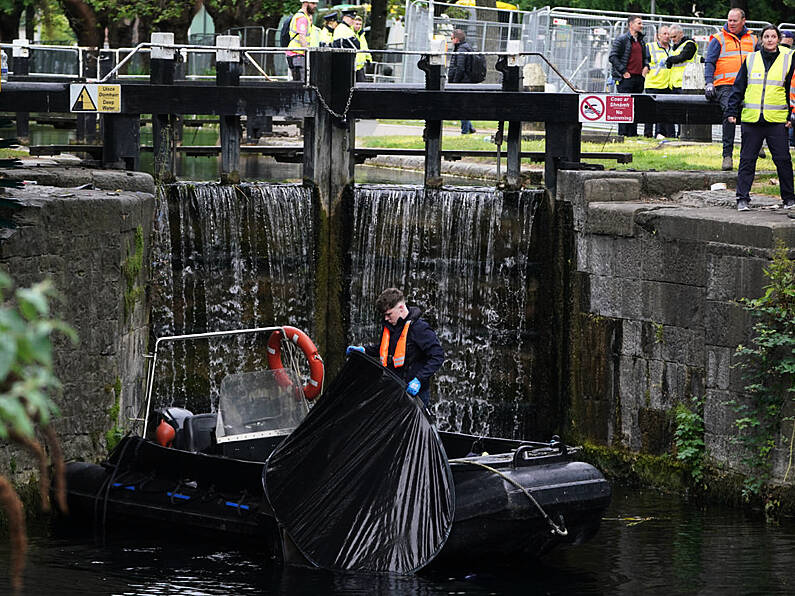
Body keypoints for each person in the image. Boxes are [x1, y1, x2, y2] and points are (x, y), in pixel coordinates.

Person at [726, 25, 795, 211]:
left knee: (783, 160)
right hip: (752, 119)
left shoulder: (789, 58)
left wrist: (792, 115)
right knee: (747, 160)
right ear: (761, 39)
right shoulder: (751, 59)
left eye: (773, 36)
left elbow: (792, 89)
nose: (770, 39)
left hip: (777, 119)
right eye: (766, 36)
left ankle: (789, 198)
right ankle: (742, 198)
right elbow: (738, 87)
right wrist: (731, 111)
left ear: (779, 39)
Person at [347, 288, 444, 408]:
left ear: (401, 308)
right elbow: (384, 349)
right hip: (393, 387)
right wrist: (364, 350)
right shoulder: (390, 325)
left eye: (389, 314)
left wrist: (419, 379)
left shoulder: (420, 328)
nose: (386, 318)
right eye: (384, 315)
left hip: (415, 394)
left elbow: (438, 356)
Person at [704, 8, 758, 171]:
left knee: (754, 111)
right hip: (725, 85)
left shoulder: (754, 40)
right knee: (730, 112)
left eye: (735, 20)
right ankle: (727, 156)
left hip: (748, 85)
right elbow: (710, 62)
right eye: (729, 20)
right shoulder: (719, 39)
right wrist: (709, 83)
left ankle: (756, 145)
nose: (731, 23)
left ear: (743, 21)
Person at [609, 15, 649, 137]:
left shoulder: (641, 41)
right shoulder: (621, 39)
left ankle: (633, 133)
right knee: (624, 107)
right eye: (639, 23)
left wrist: (646, 66)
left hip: (638, 78)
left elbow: (646, 57)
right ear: (631, 25)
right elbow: (613, 57)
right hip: (626, 78)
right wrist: (623, 71)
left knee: (636, 107)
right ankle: (623, 134)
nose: (641, 26)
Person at [644, 25, 674, 139]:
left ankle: (661, 133)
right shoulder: (650, 47)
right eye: (664, 34)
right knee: (650, 112)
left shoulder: (672, 49)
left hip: (667, 84)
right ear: (658, 35)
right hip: (653, 83)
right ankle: (648, 134)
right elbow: (645, 61)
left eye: (668, 34)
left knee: (664, 112)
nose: (667, 36)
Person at [448, 29, 477, 135]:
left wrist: (454, 83)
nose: (451, 40)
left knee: (461, 107)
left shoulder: (461, 50)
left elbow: (460, 67)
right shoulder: (466, 47)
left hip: (462, 82)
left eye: (452, 38)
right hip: (466, 81)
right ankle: (470, 128)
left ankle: (465, 131)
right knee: (462, 106)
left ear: (456, 39)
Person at [285, 0, 319, 81]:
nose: (315, 6)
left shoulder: (301, 16)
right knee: (300, 82)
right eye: (313, 3)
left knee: (298, 81)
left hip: (295, 54)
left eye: (316, 4)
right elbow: (302, 37)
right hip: (297, 54)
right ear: (305, 3)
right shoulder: (302, 18)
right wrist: (308, 52)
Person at [353, 15, 372, 83]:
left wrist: (369, 58)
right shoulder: (351, 34)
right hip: (352, 67)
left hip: (360, 67)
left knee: (362, 87)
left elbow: (365, 48)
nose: (358, 26)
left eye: (360, 24)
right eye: (356, 24)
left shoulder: (361, 35)